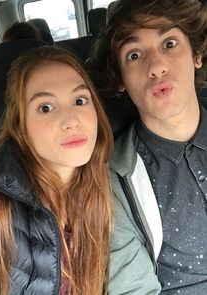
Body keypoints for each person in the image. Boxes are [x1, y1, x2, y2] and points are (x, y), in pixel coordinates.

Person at [0, 46, 114, 295]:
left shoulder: (101, 185)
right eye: (45, 108)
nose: (71, 120)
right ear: (20, 126)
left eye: (80, 100)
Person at [91, 0, 207, 294]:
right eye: (134, 54)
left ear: (197, 54)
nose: (156, 67)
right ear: (120, 79)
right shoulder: (112, 183)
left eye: (169, 43)